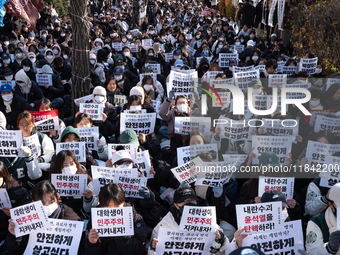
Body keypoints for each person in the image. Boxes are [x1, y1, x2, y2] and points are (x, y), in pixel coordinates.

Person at [5, 180, 80, 254]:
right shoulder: (26, 218)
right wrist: (14, 236)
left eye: (51, 202)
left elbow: (78, 247)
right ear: (33, 201)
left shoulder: (71, 218)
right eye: (42, 203)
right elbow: (17, 250)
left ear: (58, 198)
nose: (47, 206)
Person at [148, 186, 229, 255]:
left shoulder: (205, 219)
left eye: (192, 200)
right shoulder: (164, 224)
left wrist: (220, 238)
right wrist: (154, 248)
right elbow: (152, 252)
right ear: (176, 205)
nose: (189, 203)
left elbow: (221, 248)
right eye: (184, 201)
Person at [80, 183, 147, 255]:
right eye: (108, 208)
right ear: (101, 206)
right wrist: (92, 244)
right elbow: (85, 251)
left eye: (117, 207)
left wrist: (123, 236)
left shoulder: (135, 219)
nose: (113, 212)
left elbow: (140, 250)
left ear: (123, 203)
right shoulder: (95, 221)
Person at [50, 150, 98, 219]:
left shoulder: (86, 180)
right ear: (59, 167)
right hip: (61, 218)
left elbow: (92, 207)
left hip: (81, 218)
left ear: (76, 164)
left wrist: (89, 199)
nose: (69, 167)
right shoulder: (53, 183)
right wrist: (54, 200)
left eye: (71, 164)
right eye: (65, 165)